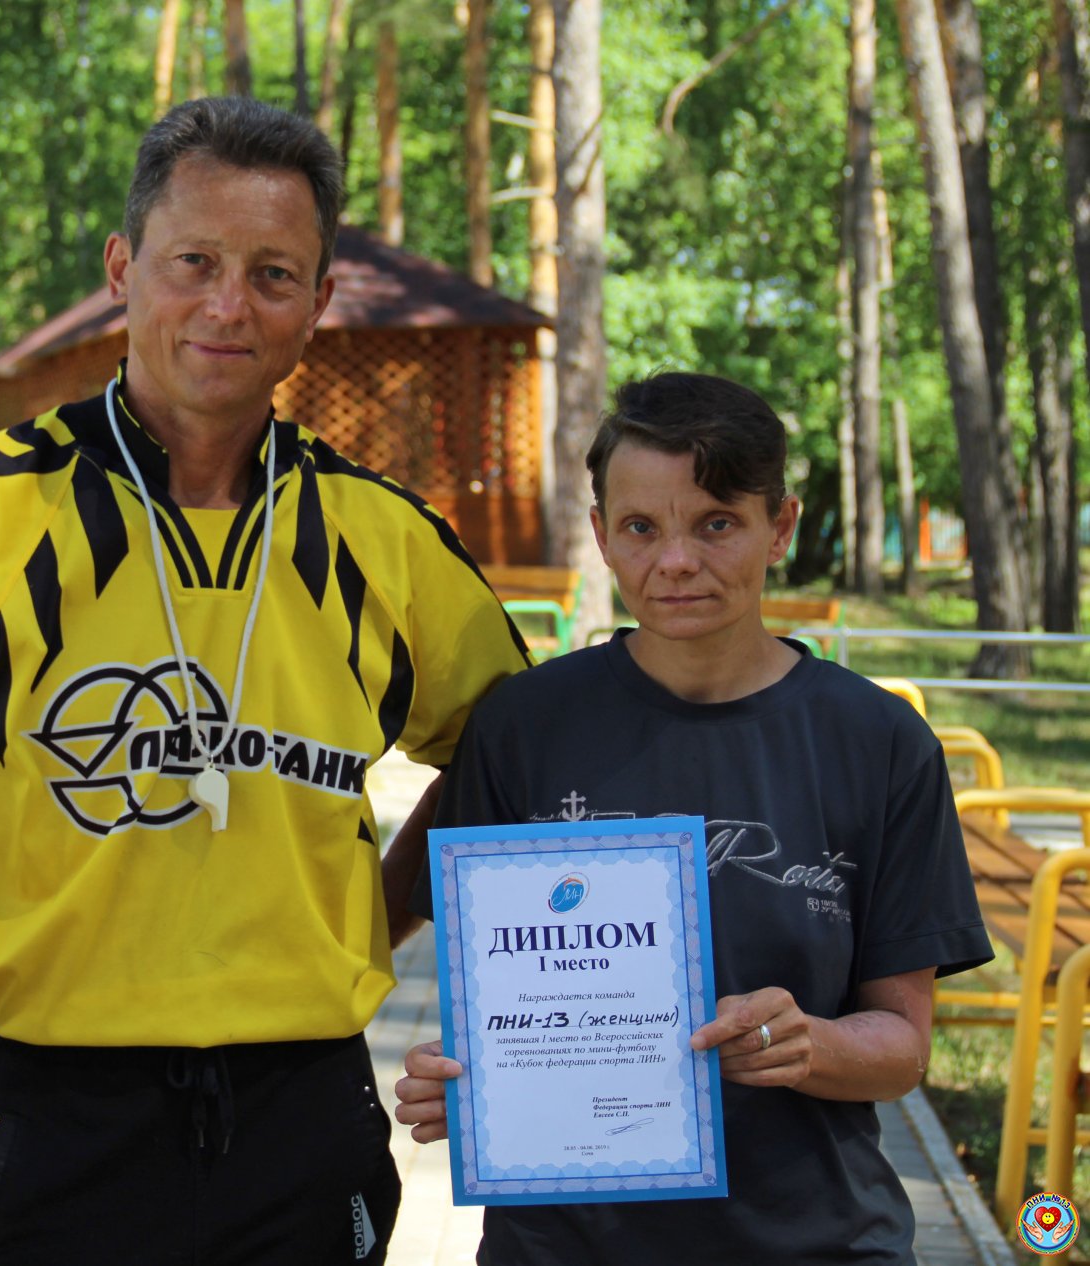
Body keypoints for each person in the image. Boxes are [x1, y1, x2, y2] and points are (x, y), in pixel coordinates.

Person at [0, 95, 528, 1264]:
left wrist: (380, 911)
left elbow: (515, 749)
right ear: (123, 268)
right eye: (194, 262)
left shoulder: (385, 538)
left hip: (305, 1104)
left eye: (273, 274)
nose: (228, 304)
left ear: (319, 304)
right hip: (56, 1113)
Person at [392, 372, 992, 1264]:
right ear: (601, 535)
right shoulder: (523, 727)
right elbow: (490, 1000)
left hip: (815, 1239)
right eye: (641, 527)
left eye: (716, 523)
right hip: (562, 1245)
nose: (675, 560)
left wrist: (809, 1044)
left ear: (778, 526)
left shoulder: (880, 742)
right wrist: (470, 1087)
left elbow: (902, 1048)